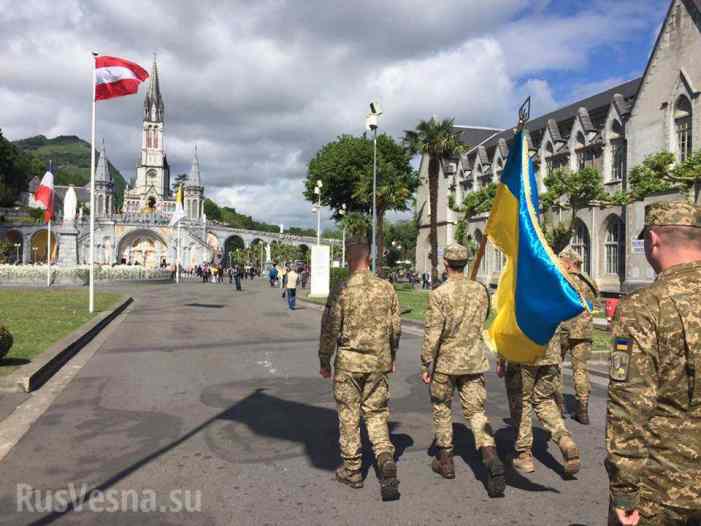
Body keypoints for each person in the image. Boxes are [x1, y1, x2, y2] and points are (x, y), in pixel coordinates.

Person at [606, 201, 701, 526]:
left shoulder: (644, 308)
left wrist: (624, 491)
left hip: (663, 488)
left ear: (654, 239)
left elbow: (629, 408)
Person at [319, 233, 401, 501]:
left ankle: (353, 471)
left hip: (349, 364)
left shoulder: (342, 288)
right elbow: (396, 328)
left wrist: (324, 361)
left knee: (349, 416)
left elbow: (330, 328)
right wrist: (391, 357)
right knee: (376, 413)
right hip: (378, 362)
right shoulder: (386, 288)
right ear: (369, 257)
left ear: (349, 256)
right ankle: (384, 456)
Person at [420, 243, 505, 498]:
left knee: (442, 408)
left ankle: (445, 460)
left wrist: (426, 363)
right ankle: (489, 454)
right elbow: (484, 317)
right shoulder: (480, 291)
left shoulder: (439, 294)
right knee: (476, 412)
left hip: (446, 363)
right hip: (473, 361)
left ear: (446, 264)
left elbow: (433, 334)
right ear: (465, 263)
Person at [512, 322, 581, 477]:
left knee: (521, 401)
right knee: (544, 400)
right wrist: (558, 350)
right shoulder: (554, 296)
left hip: (523, 352)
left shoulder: (518, 296)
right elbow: (565, 327)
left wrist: (502, 355)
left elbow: (507, 322)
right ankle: (564, 439)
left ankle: (524, 455)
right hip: (550, 353)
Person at [558, 247, 598, 424]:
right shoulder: (589, 282)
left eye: (562, 260)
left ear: (570, 263)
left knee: (555, 367)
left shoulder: (562, 280)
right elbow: (593, 303)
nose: (559, 263)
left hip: (564, 329)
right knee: (581, 370)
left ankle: (558, 406)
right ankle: (583, 410)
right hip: (584, 331)